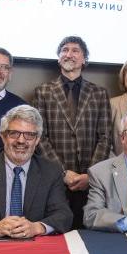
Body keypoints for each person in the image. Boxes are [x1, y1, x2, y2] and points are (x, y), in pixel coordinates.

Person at [0, 105, 73, 237]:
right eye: (14, 133)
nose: (21, 140)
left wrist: (36, 227)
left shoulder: (50, 170)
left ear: (37, 140)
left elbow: (64, 216)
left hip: (35, 249)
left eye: (29, 135)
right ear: (3, 136)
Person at [32, 36, 111, 229]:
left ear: (84, 59)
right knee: (56, 233)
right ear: (59, 58)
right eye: (64, 50)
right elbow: (39, 137)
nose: (69, 54)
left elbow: (105, 137)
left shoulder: (99, 93)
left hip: (90, 183)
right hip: (55, 180)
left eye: (75, 50)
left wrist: (90, 176)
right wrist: (63, 172)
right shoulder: (43, 92)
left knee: (89, 235)